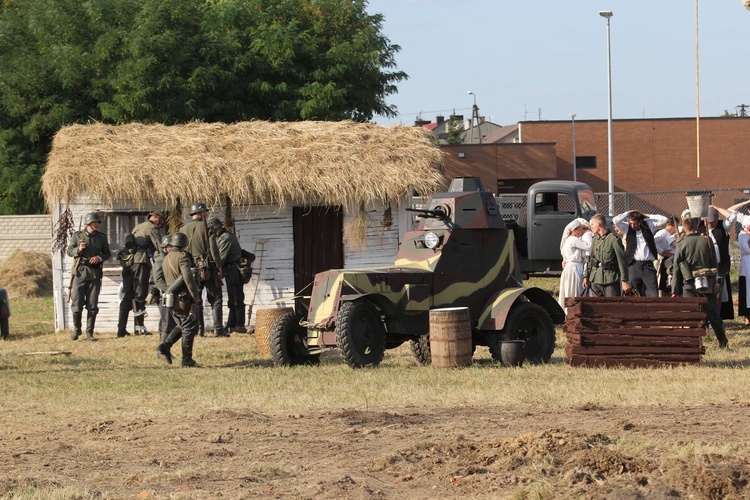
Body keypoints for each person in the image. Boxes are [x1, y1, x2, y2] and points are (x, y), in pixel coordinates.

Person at [671, 216, 728, 349]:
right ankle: (723, 342)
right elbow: (713, 262)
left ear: (683, 229)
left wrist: (675, 290)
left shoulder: (681, 243)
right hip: (707, 281)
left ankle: (693, 344)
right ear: (696, 226)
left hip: (689, 283)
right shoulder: (706, 240)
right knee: (713, 314)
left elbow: (676, 268)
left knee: (690, 315)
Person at [157, 232, 202, 367]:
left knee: (182, 325)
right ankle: (187, 360)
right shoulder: (182, 257)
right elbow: (187, 277)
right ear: (183, 245)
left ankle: (165, 346)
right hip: (183, 298)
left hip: (172, 299)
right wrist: (195, 295)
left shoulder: (166, 258)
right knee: (189, 327)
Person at [180, 202, 225, 337]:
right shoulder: (207, 226)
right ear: (200, 213)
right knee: (216, 298)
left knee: (196, 299)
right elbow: (213, 248)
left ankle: (199, 330)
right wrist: (218, 265)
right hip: (208, 268)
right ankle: (218, 329)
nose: (206, 214)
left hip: (192, 269)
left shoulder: (183, 229)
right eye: (205, 212)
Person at [117, 212, 164, 337]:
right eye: (160, 222)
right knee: (139, 295)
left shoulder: (137, 226)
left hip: (128, 263)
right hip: (140, 262)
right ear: (157, 219)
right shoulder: (152, 227)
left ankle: (121, 330)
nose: (159, 226)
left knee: (127, 296)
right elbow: (159, 247)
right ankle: (139, 329)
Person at [66, 212, 111, 341]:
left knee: (92, 306)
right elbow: (69, 251)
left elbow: (107, 253)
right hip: (79, 273)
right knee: (76, 305)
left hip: (94, 275)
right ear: (88, 223)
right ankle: (77, 329)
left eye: (97, 222)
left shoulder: (101, 238)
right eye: (94, 223)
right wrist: (79, 249)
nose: (97, 225)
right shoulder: (77, 236)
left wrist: (99, 257)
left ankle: (89, 333)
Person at [613, 210, 667, 297]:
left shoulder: (649, 225)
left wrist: (646, 215)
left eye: (635, 223)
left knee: (653, 292)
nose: (633, 225)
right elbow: (616, 220)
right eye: (631, 223)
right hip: (633, 264)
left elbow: (664, 220)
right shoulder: (626, 227)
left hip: (648, 265)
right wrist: (628, 213)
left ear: (640, 222)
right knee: (634, 293)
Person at [209, 218, 247, 334]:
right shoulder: (223, 236)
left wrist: (215, 265)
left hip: (233, 270)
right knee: (233, 297)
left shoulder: (225, 238)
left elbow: (221, 257)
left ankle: (239, 324)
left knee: (236, 297)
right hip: (231, 270)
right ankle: (232, 323)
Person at [583, 214, 631, 297]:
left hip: (610, 279)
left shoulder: (613, 240)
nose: (591, 227)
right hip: (595, 278)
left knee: (611, 306)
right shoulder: (595, 239)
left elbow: (622, 261)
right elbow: (590, 259)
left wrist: (624, 281)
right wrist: (586, 276)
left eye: (592, 224)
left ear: (599, 224)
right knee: (596, 307)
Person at [701, 207, 734, 320]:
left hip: (719, 267)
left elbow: (732, 216)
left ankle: (716, 319)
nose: (710, 224)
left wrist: (716, 208)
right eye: (708, 221)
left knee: (718, 295)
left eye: (712, 221)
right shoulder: (701, 227)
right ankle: (708, 318)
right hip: (705, 268)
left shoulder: (722, 227)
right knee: (706, 295)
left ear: (717, 219)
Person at [558, 218, 591, 312]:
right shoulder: (574, 240)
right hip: (574, 268)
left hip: (569, 267)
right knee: (575, 289)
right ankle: (574, 310)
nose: (582, 232)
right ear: (574, 230)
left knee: (569, 288)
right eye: (581, 229)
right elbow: (588, 247)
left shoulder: (567, 240)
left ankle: (568, 311)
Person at [153, 235, 176, 342]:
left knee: (167, 320)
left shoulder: (169, 258)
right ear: (165, 247)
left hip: (168, 293)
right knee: (166, 320)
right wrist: (169, 290)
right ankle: (162, 348)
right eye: (170, 246)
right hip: (163, 294)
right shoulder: (160, 260)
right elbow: (158, 279)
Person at [654, 216, 679, 297]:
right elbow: (652, 243)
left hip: (669, 258)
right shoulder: (662, 233)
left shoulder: (672, 235)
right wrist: (662, 251)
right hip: (661, 258)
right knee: (661, 277)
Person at [739, 222, 750, 327]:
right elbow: (746, 249)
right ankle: (747, 317)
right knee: (747, 291)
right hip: (747, 266)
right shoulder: (742, 234)